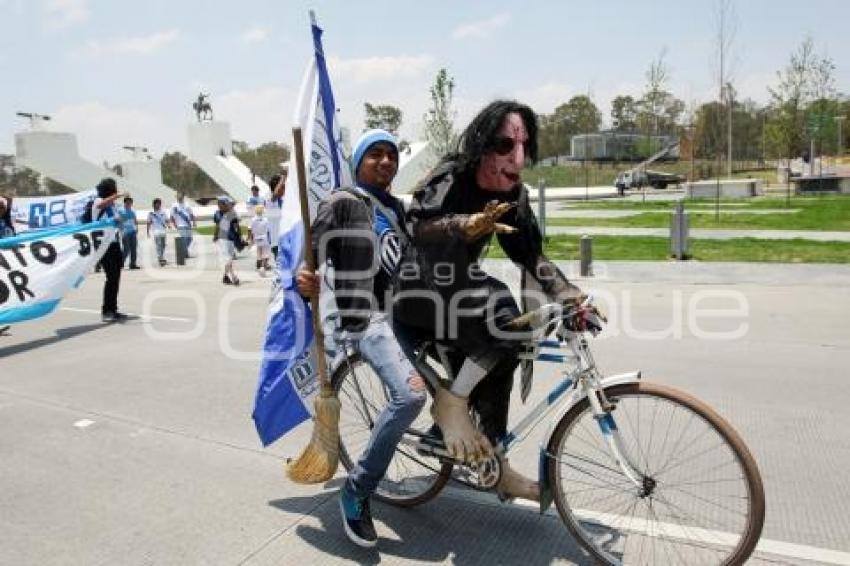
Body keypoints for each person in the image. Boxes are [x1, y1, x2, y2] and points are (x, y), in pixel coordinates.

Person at [393, 100, 596, 502]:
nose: (517, 158)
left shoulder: (513, 193)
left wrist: (570, 295)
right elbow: (418, 227)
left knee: (512, 344)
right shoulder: (453, 174)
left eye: (523, 146)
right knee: (500, 305)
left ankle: (493, 458)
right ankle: (451, 406)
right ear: (483, 145)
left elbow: (530, 256)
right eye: (505, 145)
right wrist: (465, 225)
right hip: (418, 288)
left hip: (459, 291)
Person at [297, 129, 425, 548]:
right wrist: (304, 277)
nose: (386, 161)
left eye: (391, 154)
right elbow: (311, 254)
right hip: (365, 317)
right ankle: (358, 488)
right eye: (376, 155)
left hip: (405, 314)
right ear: (358, 162)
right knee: (410, 398)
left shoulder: (398, 208)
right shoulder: (342, 201)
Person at [92, 178, 128, 322]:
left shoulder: (112, 206)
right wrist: (117, 196)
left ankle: (113, 309)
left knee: (116, 278)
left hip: (114, 243)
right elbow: (101, 204)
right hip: (103, 245)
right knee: (111, 277)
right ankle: (106, 310)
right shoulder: (98, 201)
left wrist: (120, 221)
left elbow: (118, 221)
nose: (116, 189)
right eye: (114, 187)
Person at [212, 196, 244, 285]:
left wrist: (240, 236)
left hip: (231, 238)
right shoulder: (217, 214)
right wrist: (215, 235)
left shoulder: (232, 213)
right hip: (222, 238)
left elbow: (237, 226)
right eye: (219, 203)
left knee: (229, 259)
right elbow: (217, 225)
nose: (219, 205)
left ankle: (225, 277)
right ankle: (233, 277)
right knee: (228, 259)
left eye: (221, 203)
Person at [0, 195, 16, 335]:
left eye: (3, 208)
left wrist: (9, 203)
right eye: (1, 208)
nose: (3, 210)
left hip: (6, 260)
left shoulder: (5, 220)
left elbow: (8, 213)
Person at [266, 167, 287, 260]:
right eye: (283, 186)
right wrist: (283, 177)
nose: (285, 188)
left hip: (287, 240)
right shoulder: (269, 199)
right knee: (282, 270)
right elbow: (276, 194)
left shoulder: (284, 200)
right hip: (277, 242)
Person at [248, 205, 272, 276]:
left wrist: (250, 239)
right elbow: (268, 231)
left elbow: (250, 229)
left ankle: (260, 266)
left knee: (259, 253)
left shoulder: (253, 219)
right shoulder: (265, 219)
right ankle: (262, 267)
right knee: (265, 253)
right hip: (264, 237)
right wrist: (269, 239)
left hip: (256, 237)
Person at [147, 198, 170, 267]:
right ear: (154, 204)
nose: (158, 205)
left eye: (159, 203)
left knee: (163, 245)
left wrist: (169, 225)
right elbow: (149, 222)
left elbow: (167, 220)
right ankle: (160, 258)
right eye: (156, 203)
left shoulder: (163, 212)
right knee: (158, 245)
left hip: (163, 231)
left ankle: (161, 256)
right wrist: (147, 232)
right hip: (156, 231)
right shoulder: (151, 213)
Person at [119, 196, 139, 269]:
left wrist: (137, 228)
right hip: (125, 232)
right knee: (126, 249)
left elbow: (135, 220)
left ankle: (133, 264)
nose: (129, 204)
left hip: (132, 231)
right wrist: (121, 230)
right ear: (124, 202)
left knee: (134, 248)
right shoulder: (120, 210)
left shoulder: (133, 210)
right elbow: (118, 221)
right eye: (127, 202)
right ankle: (120, 262)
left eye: (130, 202)